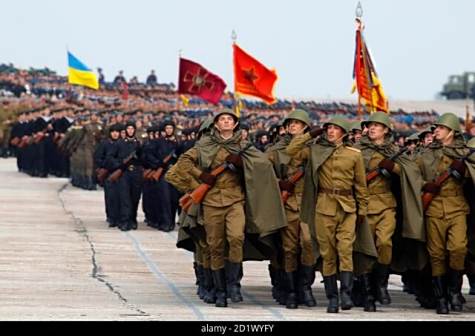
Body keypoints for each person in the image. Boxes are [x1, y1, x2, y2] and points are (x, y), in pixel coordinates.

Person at [287, 116, 369, 313]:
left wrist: (362, 210)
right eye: (329, 128)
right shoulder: (316, 150)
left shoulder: (354, 154)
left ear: (344, 132)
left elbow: (360, 185)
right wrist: (309, 134)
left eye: (336, 128)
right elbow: (291, 151)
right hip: (323, 207)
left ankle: (346, 293)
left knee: (345, 249)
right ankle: (332, 297)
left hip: (347, 207)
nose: (331, 131)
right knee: (328, 253)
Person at [356, 112, 424, 311]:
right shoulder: (358, 150)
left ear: (386, 130)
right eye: (370, 125)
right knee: (367, 249)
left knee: (384, 243)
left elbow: (410, 173)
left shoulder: (394, 150)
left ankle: (381, 284)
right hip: (365, 204)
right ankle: (368, 292)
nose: (373, 128)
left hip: (386, 204)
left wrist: (392, 167)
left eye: (377, 125)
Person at [416, 112, 475, 314]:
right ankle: (441, 298)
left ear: (451, 132)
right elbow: (414, 177)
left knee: (458, 249)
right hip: (433, 208)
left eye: (441, 128)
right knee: (437, 254)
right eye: (436, 128)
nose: (436, 131)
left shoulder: (464, 153)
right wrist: (427, 185)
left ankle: (454, 291)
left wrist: (464, 172)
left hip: (457, 206)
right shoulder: (426, 154)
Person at [266, 109, 317, 309]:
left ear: (305, 127)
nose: (293, 126)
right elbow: (263, 173)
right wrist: (280, 183)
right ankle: (291, 291)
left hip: (306, 203)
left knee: (308, 243)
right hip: (286, 204)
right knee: (288, 248)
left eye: (298, 123)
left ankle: (305, 286)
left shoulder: (315, 149)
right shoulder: (275, 150)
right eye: (291, 123)